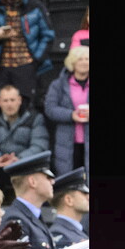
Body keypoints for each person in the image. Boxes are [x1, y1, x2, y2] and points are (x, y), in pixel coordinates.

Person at [0, 84, 50, 195]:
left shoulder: (35, 117)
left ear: (19, 100)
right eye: (5, 100)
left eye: (12, 100)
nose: (9, 104)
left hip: (24, 164)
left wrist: (19, 159)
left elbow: (39, 145)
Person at [43, 46, 89, 176]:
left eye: (87, 59)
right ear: (72, 62)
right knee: (69, 181)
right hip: (67, 141)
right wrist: (71, 115)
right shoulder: (58, 85)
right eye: (80, 59)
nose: (85, 62)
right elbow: (50, 108)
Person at [49, 167, 89, 249]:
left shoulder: (77, 230)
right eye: (84, 193)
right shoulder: (58, 233)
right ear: (69, 200)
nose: (88, 197)